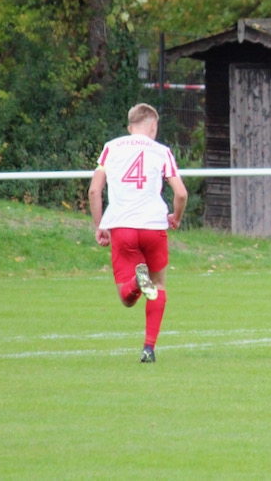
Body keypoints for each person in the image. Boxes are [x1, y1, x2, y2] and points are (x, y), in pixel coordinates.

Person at [89, 103, 188, 363]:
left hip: (122, 226)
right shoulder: (162, 151)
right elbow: (181, 193)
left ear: (130, 127)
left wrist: (100, 225)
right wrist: (176, 217)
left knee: (127, 298)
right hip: (153, 226)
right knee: (159, 285)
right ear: (153, 126)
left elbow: (94, 190)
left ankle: (136, 280)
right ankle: (149, 348)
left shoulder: (111, 147)